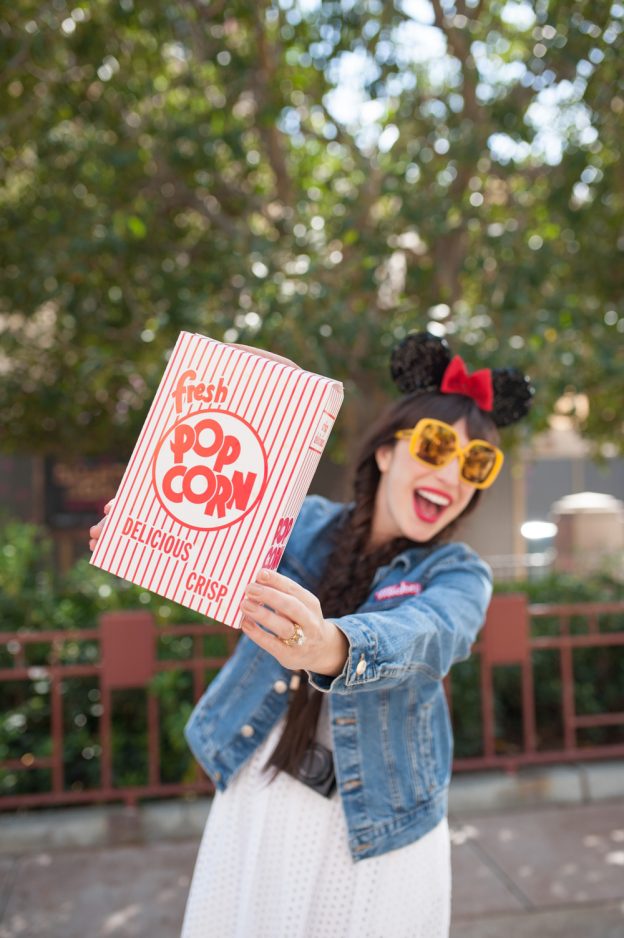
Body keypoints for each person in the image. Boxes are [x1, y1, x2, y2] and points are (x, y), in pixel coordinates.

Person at [90, 332, 533, 938]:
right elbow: (218, 520)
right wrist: (142, 522)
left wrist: (330, 645)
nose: (452, 473)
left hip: (379, 824)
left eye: (476, 463)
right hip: (261, 788)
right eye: (434, 446)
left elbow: (430, 634)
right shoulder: (302, 526)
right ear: (386, 452)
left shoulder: (459, 575)